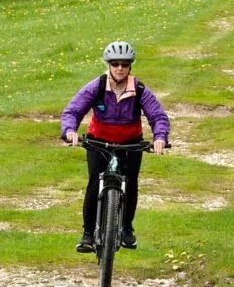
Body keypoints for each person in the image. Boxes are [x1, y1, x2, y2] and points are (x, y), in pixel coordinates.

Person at [60, 40, 169, 253]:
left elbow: (157, 115)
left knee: (131, 183)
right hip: (99, 141)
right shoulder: (97, 86)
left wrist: (160, 137)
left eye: (125, 64)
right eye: (115, 63)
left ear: (130, 67)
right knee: (94, 183)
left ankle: (127, 229)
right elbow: (72, 110)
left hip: (131, 143)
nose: (120, 68)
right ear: (108, 65)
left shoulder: (138, 89)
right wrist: (70, 130)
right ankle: (88, 235)